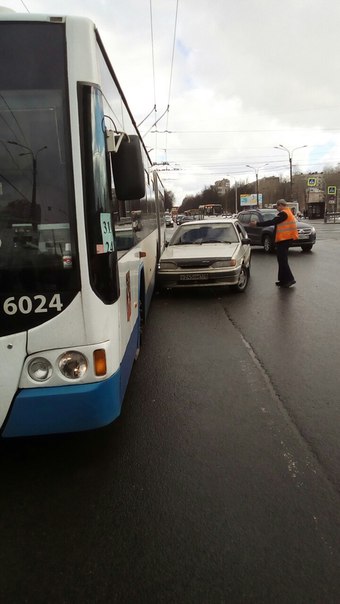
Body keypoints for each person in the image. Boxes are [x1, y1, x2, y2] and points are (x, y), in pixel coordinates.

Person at [251, 199, 298, 288]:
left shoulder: (283, 213)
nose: (277, 208)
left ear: (281, 205)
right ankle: (282, 280)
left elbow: (272, 222)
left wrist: (257, 224)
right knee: (281, 260)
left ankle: (289, 279)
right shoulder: (288, 212)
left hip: (284, 239)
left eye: (277, 206)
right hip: (285, 239)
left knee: (283, 260)